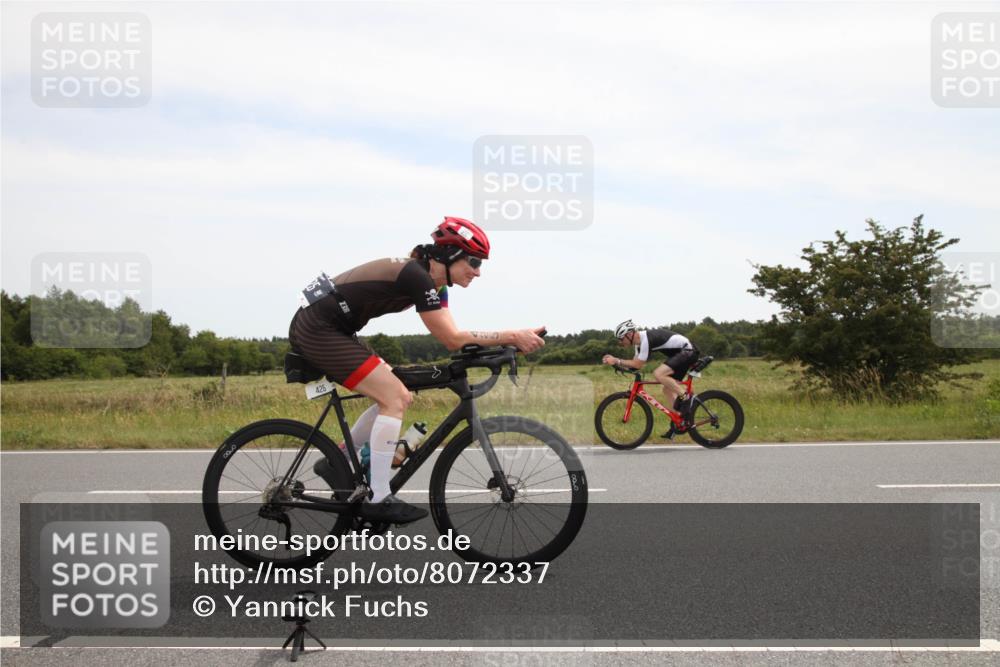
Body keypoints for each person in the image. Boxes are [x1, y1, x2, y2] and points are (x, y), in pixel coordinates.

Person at [289, 217, 545, 524]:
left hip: (337, 328)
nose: (478, 272)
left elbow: (455, 337)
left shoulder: (436, 285)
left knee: (400, 392)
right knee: (394, 397)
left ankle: (339, 460)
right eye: (474, 262)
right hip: (318, 328)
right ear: (450, 255)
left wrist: (503, 346)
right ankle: (378, 497)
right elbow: (452, 339)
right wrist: (512, 335)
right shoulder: (417, 276)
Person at [601, 319, 699, 437]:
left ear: (629, 334)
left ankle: (686, 397)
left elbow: (638, 364)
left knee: (658, 374)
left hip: (688, 351)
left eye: (621, 338)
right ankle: (679, 421)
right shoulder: (638, 345)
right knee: (667, 390)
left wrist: (617, 360)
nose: (620, 342)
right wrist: (616, 363)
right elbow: (634, 365)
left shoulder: (646, 339)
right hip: (681, 354)